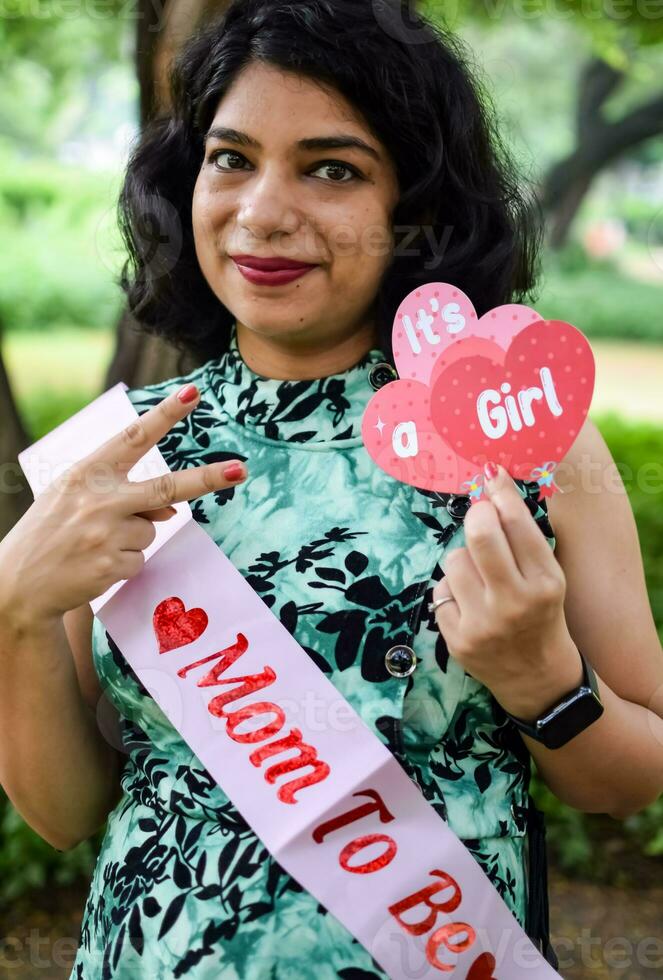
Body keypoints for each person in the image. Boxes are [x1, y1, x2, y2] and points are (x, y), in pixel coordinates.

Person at [1, 1, 662, 977]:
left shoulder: (523, 444)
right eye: (232, 158)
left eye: (332, 167)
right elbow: (61, 815)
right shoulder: (120, 450)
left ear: (418, 206)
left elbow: (635, 776)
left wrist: (545, 681)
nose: (263, 211)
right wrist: (16, 606)